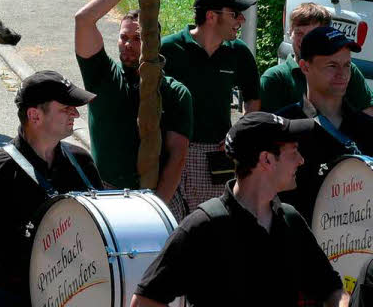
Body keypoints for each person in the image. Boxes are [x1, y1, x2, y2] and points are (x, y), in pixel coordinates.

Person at [131, 112, 346, 307]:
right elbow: (144, 300)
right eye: (294, 151)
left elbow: (332, 288)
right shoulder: (204, 226)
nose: (301, 160)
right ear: (267, 159)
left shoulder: (290, 220)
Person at [0, 71, 101, 306]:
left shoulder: (81, 162)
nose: (76, 113)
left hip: (75, 294)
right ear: (34, 116)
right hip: (11, 296)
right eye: (65, 108)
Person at [74, 0, 193, 218]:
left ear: (155, 41)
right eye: (123, 37)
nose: (128, 45)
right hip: (104, 194)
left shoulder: (175, 93)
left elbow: (177, 157)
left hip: (154, 199)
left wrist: (154, 209)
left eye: (137, 38)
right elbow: (83, 20)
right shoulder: (103, 76)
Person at [160, 0, 261, 213]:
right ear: (211, 16)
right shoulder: (168, 49)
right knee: (171, 226)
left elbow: (252, 100)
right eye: (235, 14)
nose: (242, 20)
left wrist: (238, 136)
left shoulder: (239, 53)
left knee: (211, 227)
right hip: (171, 154)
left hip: (217, 157)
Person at [275, 26, 373, 223]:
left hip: (358, 246)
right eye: (331, 65)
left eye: (347, 65)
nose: (342, 73)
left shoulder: (367, 127)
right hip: (298, 244)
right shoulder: (282, 126)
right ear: (305, 67)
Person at [260, 2, 373, 114]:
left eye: (313, 34)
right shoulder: (275, 78)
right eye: (299, 33)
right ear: (290, 33)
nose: (305, 40)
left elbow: (368, 113)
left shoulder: (347, 71)